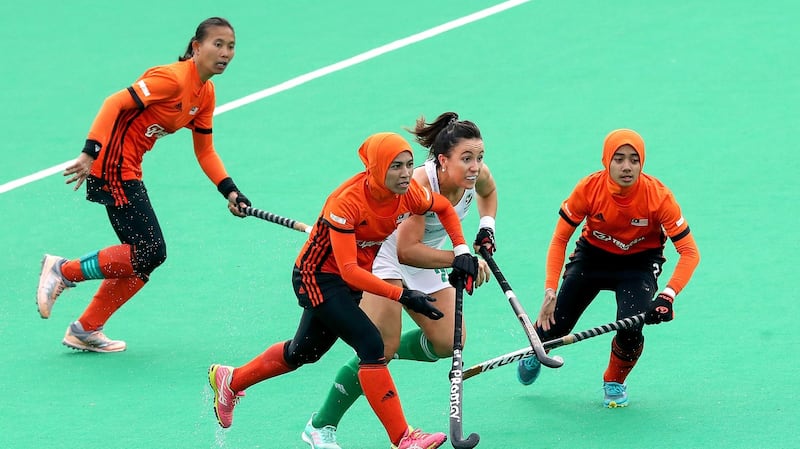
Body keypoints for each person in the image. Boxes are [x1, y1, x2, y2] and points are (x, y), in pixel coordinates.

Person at [207, 132, 479, 449]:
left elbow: (444, 207)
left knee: (303, 352)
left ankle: (232, 380)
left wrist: (460, 250)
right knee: (371, 345)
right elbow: (346, 269)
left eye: (408, 165)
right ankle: (404, 438)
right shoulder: (347, 203)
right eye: (396, 167)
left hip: (351, 279)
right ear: (377, 168)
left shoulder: (408, 194)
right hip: (318, 277)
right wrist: (403, 295)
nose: (406, 174)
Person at [35, 17, 251, 353]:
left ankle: (85, 329)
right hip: (113, 165)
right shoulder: (173, 79)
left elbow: (205, 150)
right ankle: (64, 270)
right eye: (217, 44)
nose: (225, 52)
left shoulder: (205, 93)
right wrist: (89, 151)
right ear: (196, 47)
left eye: (231, 46)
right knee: (150, 250)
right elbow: (114, 102)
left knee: (144, 257)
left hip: (130, 168)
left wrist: (230, 190)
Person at [301, 112, 496, 449]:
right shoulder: (420, 184)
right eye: (466, 159)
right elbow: (405, 250)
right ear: (442, 161)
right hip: (383, 261)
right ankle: (321, 425)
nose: (475, 166)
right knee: (380, 348)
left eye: (479, 157)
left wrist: (486, 228)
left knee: (449, 341)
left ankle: (386, 351)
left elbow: (488, 192)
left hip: (423, 257)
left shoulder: (474, 175)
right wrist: (459, 258)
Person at [516, 128, 700, 407]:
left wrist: (667, 295)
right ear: (606, 161)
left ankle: (615, 380)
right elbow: (559, 240)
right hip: (593, 258)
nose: (627, 167)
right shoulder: (588, 189)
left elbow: (689, 252)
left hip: (638, 264)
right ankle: (540, 346)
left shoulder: (659, 197)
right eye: (619, 159)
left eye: (634, 160)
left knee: (631, 328)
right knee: (556, 324)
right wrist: (550, 290)